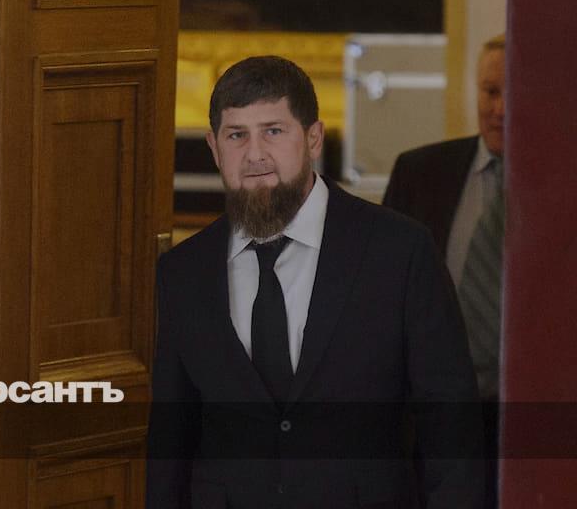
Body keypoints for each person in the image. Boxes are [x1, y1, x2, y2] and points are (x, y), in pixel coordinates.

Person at [146, 56, 483, 507]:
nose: (255, 154)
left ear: (313, 138)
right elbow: (171, 441)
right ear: (214, 146)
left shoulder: (399, 251)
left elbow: (450, 423)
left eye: (273, 131)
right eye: (236, 135)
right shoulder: (183, 272)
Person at [383, 33, 505, 507]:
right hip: (431, 424)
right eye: (490, 92)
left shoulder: (564, 186)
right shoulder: (420, 173)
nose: (500, 109)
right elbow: (380, 301)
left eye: (514, 94)